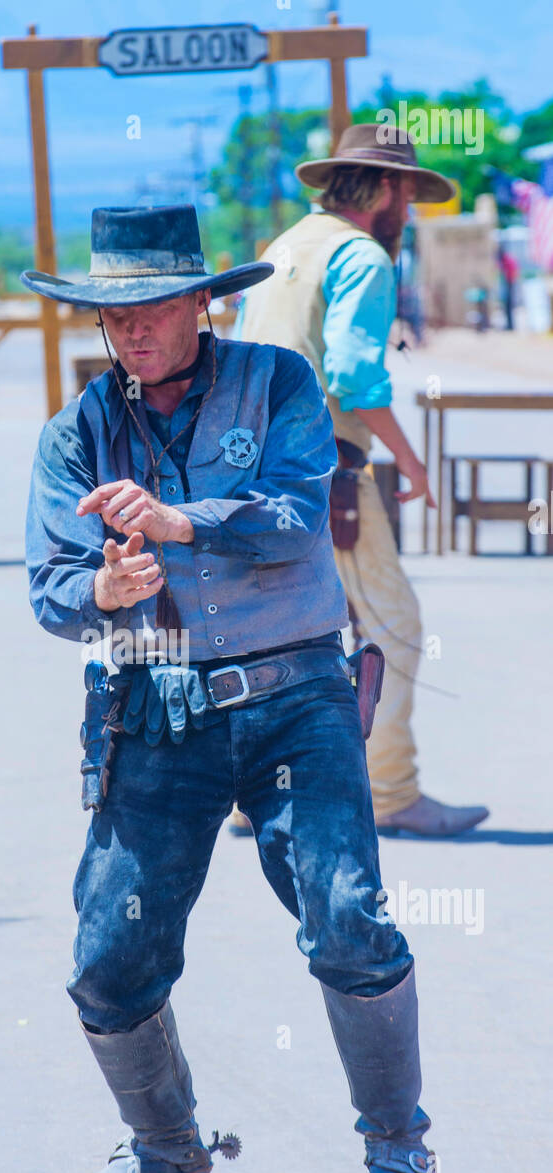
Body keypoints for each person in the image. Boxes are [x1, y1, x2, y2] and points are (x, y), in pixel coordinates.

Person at [22, 204, 442, 1173]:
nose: (132, 333)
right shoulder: (74, 432)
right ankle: (166, 1151)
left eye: (152, 309)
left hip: (296, 694)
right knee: (107, 960)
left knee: (347, 916)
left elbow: (299, 516)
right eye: (112, 318)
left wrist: (178, 524)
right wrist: (106, 593)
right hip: (154, 706)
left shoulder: (278, 385)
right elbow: (49, 586)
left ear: (202, 304)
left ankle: (398, 1153)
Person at [239, 125, 489, 837]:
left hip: (253, 466)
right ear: (382, 188)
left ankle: (243, 791)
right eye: (406, 191)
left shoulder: (287, 245)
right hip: (324, 470)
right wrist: (411, 465)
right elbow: (354, 377)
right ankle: (390, 792)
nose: (408, 208)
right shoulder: (361, 256)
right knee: (392, 625)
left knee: (271, 631)